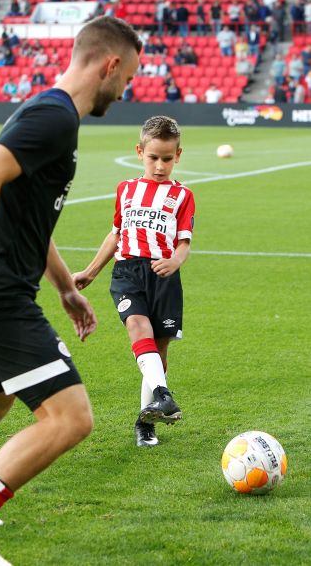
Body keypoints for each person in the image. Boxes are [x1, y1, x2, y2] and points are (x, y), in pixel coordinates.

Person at [0, 16, 141, 566]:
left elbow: (30, 220)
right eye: (128, 77)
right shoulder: (55, 116)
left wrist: (66, 289)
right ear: (109, 64)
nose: (126, 89)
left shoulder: (53, 112)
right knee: (71, 417)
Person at [73, 116, 195, 448]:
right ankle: (164, 396)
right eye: (153, 157)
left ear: (178, 156)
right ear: (139, 151)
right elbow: (116, 234)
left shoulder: (183, 196)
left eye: (167, 159)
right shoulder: (126, 190)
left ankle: (146, 422)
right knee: (137, 327)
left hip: (164, 275)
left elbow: (184, 241)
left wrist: (174, 261)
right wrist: (91, 270)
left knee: (159, 348)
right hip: (127, 271)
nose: (159, 165)